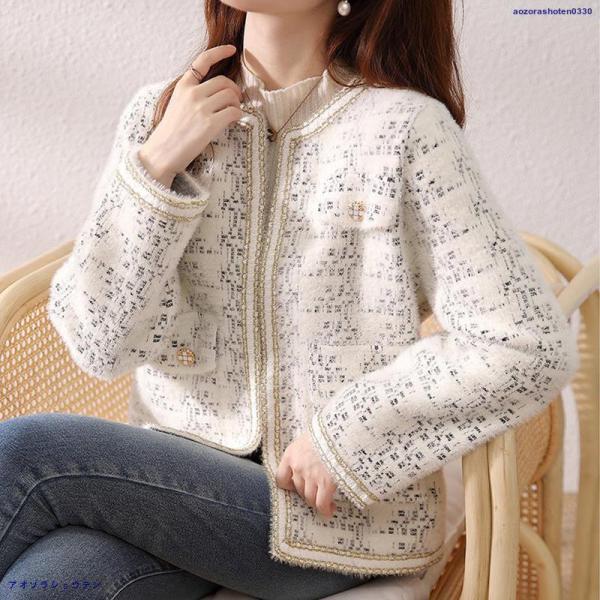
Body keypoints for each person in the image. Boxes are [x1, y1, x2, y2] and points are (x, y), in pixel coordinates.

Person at [0, 0, 579, 599]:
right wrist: (156, 166)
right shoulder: (161, 115)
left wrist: (348, 435)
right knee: (41, 588)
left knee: (25, 454)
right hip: (173, 488)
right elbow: (99, 343)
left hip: (326, 512)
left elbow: (526, 344)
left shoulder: (405, 132)